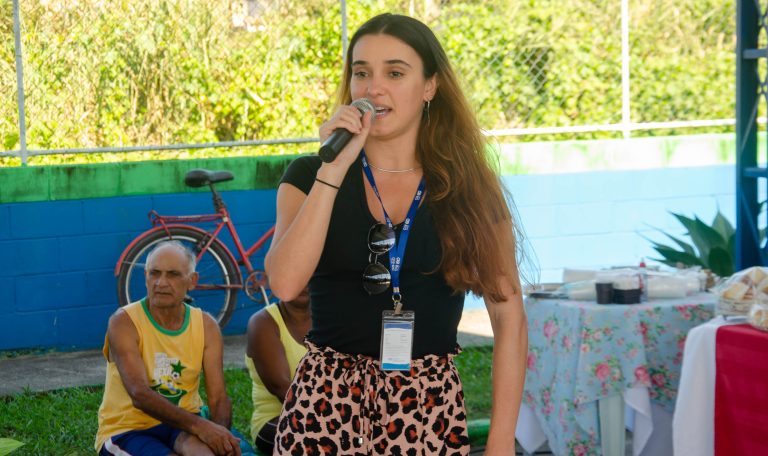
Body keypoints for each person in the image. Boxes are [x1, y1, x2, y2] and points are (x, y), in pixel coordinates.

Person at [264, 13, 528, 456]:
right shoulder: (310, 175)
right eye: (361, 72)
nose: (373, 88)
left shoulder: (467, 187)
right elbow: (285, 284)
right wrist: (333, 171)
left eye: (395, 73)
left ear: (430, 86)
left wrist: (501, 441)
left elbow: (509, 315)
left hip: (427, 410)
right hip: (324, 409)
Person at [95, 240, 241, 456]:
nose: (161, 282)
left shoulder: (206, 326)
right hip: (127, 429)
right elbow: (139, 394)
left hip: (181, 426)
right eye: (155, 273)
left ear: (192, 281)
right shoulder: (124, 321)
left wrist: (219, 439)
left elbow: (218, 398)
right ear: (145, 277)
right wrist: (202, 427)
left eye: (173, 274)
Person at [244, 287, 311, 454]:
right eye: (295, 276)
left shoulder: (330, 319)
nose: (303, 284)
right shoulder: (262, 323)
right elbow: (282, 389)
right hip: (276, 420)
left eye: (308, 275)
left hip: (331, 415)